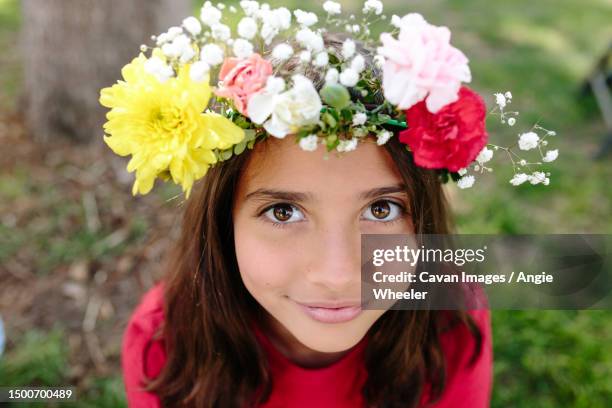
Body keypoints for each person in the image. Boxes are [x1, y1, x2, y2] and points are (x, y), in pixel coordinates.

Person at [99, 3, 499, 406]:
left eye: (381, 210)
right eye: (283, 212)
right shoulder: (164, 345)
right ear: (224, 220)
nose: (337, 275)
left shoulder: (453, 326)